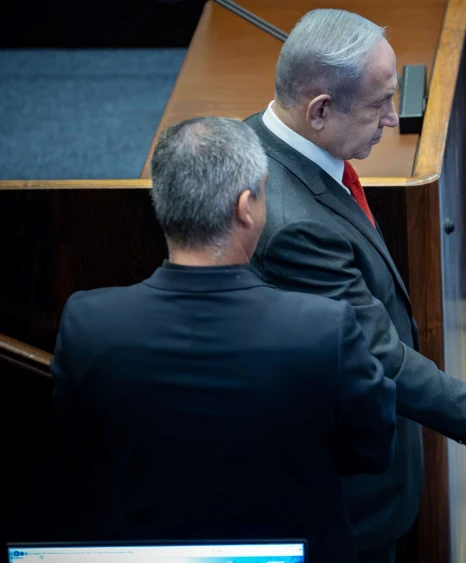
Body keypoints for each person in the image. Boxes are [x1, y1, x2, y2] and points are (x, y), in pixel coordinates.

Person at [244, 9, 466, 561]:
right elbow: (380, 358)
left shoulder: (263, 140)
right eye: (379, 104)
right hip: (347, 498)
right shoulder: (294, 229)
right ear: (320, 110)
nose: (392, 117)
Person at [50, 116, 396, 563]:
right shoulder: (325, 330)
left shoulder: (86, 325)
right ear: (245, 207)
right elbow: (373, 450)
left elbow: (81, 453)